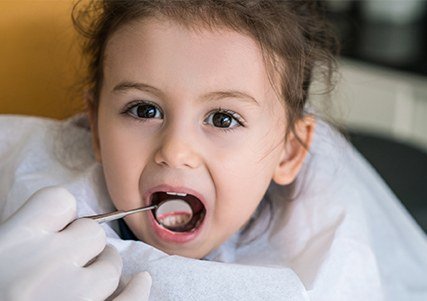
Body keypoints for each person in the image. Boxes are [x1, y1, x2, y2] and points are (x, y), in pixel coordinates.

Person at [1, 1, 426, 300]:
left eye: (223, 118)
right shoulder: (21, 208)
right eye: (144, 109)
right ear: (95, 128)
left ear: (289, 153)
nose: (176, 150)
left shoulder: (329, 261)